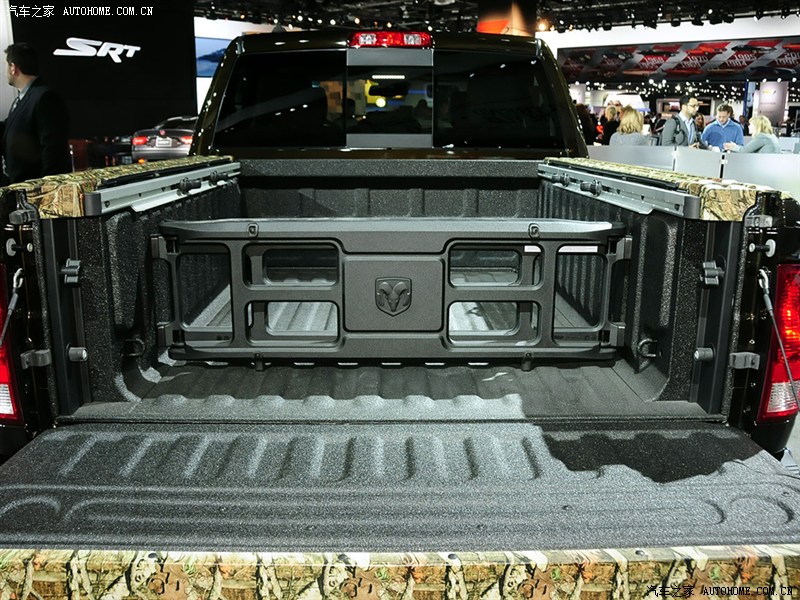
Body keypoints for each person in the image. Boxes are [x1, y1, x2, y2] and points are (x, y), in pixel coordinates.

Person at [1, 42, 71, 185]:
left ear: (13, 68)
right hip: (20, 188)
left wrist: (46, 189)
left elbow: (52, 150)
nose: (4, 71)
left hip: (37, 191)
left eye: (5, 65)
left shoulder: (45, 97)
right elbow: (9, 127)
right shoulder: (21, 100)